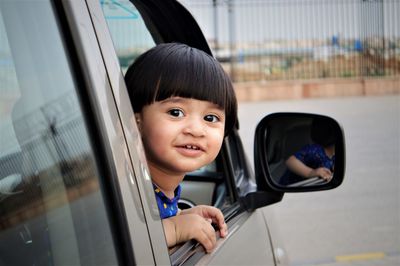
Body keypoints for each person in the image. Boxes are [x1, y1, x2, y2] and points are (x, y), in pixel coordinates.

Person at [124, 43, 237, 253]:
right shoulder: (125, 191)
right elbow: (111, 248)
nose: (196, 130)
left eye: (210, 118)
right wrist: (173, 229)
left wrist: (180, 216)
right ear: (136, 121)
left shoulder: (156, 189)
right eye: (176, 112)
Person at [281, 117, 337, 185]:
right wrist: (311, 172)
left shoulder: (335, 156)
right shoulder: (315, 150)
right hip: (290, 186)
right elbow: (290, 161)